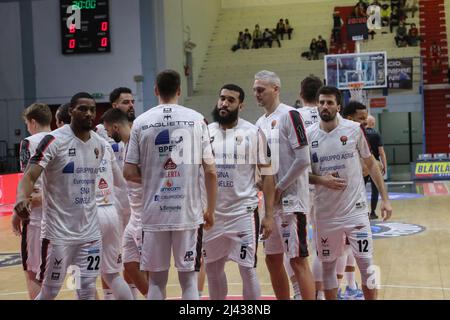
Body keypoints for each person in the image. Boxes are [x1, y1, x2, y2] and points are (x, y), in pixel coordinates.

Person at [123, 69, 217, 300]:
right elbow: (211, 170)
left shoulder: (140, 122)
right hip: (188, 211)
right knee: (188, 280)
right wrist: (211, 210)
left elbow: (128, 171)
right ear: (179, 90)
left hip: (154, 214)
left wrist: (155, 178)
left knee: (156, 280)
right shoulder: (197, 119)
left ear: (155, 90)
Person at [13, 92, 108, 300]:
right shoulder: (54, 140)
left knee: (87, 292)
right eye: (83, 109)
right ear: (71, 111)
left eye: (92, 109)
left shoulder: (99, 144)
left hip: (90, 235)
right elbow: (29, 176)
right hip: (59, 235)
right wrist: (21, 198)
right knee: (49, 292)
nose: (89, 113)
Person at [308, 86, 393, 300]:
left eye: (329, 102)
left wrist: (385, 199)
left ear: (338, 106)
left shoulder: (354, 129)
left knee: (366, 262)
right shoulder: (309, 136)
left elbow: (372, 165)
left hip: (355, 211)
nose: (324, 106)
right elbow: (302, 174)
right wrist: (322, 180)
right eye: (321, 102)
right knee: (328, 266)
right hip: (325, 214)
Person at [204, 84, 275, 300]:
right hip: (212, 216)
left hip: (243, 213)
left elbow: (269, 175)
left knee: (247, 269)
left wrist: (269, 215)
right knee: (213, 269)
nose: (224, 103)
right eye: (222, 98)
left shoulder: (253, 132)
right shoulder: (206, 132)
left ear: (240, 105)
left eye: (231, 100)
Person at [254, 70, 315, 300]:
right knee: (272, 259)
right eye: (255, 89)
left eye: (261, 89)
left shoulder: (291, 115)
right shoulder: (259, 123)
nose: (256, 94)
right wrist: (259, 179)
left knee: (298, 261)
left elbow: (303, 159)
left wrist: (279, 187)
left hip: (292, 202)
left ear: (275, 89)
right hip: (270, 205)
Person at [101, 108, 149, 298]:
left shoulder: (140, 141)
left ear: (115, 127)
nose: (108, 135)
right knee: (128, 263)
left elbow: (155, 174)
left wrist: (131, 177)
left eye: (108, 131)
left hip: (146, 213)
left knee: (148, 266)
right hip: (134, 215)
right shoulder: (128, 144)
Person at [12, 103, 52, 299]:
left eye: (27, 123)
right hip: (64, 215)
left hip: (36, 216)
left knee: (33, 271)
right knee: (78, 276)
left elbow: (27, 180)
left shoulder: (29, 142)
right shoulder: (63, 138)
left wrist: (16, 213)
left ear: (33, 122)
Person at [108, 87, 143, 298]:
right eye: (125, 102)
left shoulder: (139, 129)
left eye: (132, 101)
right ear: (114, 106)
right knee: (112, 260)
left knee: (134, 261)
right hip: (113, 207)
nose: (131, 105)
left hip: (137, 208)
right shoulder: (102, 133)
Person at [365, 114, 387, 219]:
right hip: (375, 164)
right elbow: (381, 153)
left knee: (361, 189)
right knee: (375, 189)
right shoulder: (376, 134)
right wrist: (384, 165)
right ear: (373, 123)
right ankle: (373, 212)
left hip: (363, 164)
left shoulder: (362, 133)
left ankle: (363, 213)